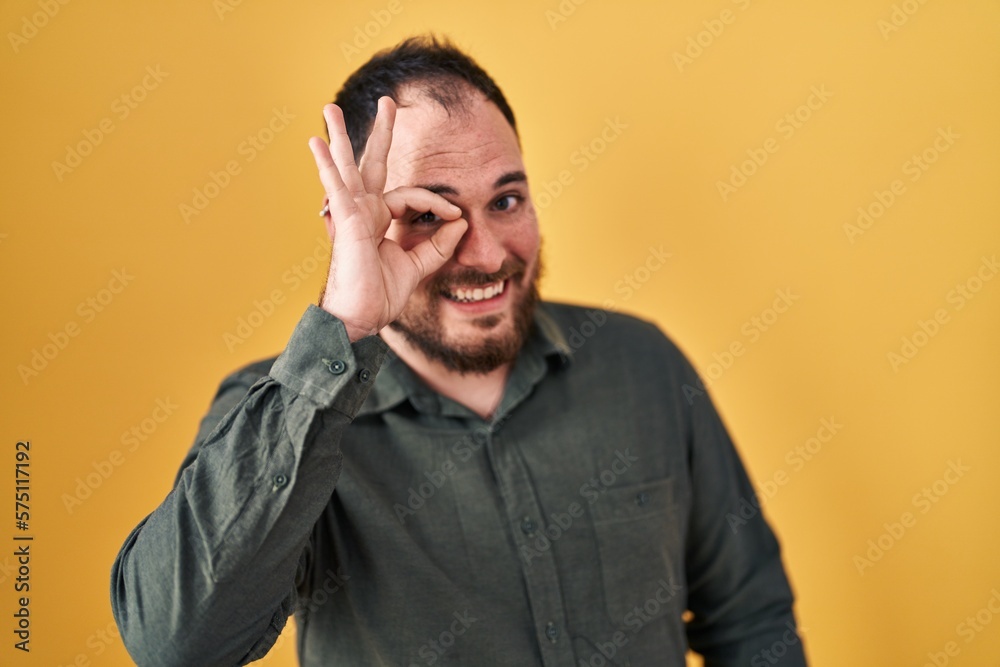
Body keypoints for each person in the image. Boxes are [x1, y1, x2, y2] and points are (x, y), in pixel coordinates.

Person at [111, 35, 807, 667]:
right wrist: (345, 325)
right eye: (426, 215)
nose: (487, 253)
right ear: (353, 229)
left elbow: (751, 620)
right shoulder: (278, 414)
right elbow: (176, 643)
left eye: (506, 200)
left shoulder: (642, 365)